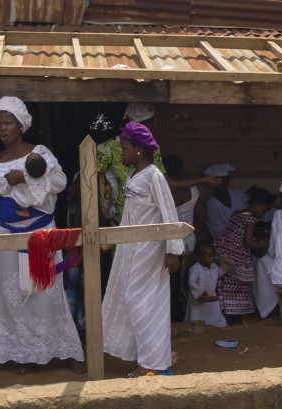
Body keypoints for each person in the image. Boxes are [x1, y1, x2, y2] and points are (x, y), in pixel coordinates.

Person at [0, 96, 85, 375]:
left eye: (8, 123)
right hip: (6, 238)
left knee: (48, 293)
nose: (2, 129)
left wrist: (25, 177)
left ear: (21, 125)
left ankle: (64, 350)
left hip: (41, 236)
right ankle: (24, 354)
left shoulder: (40, 152)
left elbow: (59, 182)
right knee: (13, 298)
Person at [102, 122, 184, 377]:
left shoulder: (154, 176)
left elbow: (169, 212)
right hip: (131, 248)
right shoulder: (133, 175)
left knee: (140, 301)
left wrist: (173, 249)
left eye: (125, 148)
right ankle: (146, 357)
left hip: (150, 249)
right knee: (132, 300)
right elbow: (130, 215)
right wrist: (116, 239)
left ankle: (151, 362)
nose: (122, 153)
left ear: (138, 149)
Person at [214, 186, 277, 324]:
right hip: (235, 255)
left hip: (223, 252)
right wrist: (268, 245)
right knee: (241, 287)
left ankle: (227, 316)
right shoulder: (249, 219)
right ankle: (243, 317)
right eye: (264, 210)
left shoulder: (237, 214)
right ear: (258, 206)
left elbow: (238, 234)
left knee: (227, 285)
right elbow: (249, 242)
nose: (263, 214)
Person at [164, 153, 208, 322]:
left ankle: (173, 316)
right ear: (181, 171)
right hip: (188, 242)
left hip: (168, 244)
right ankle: (184, 314)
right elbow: (203, 216)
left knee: (169, 283)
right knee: (183, 281)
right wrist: (188, 230)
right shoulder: (193, 190)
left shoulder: (164, 193)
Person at [204, 163, 248, 242]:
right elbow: (217, 230)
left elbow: (250, 214)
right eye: (217, 179)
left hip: (245, 241)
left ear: (228, 180)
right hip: (225, 245)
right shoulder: (211, 204)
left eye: (224, 179)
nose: (221, 182)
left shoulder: (237, 194)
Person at [185, 244, 227, 328]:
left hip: (211, 294)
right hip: (198, 296)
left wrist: (223, 261)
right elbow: (191, 282)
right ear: (199, 258)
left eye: (213, 255)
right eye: (209, 256)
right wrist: (201, 294)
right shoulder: (195, 268)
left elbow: (221, 272)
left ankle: (217, 325)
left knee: (214, 311)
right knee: (197, 313)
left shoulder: (214, 267)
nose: (212, 258)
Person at [0, 152, 47, 219]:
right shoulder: (40, 164)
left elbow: (12, 171)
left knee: (21, 199)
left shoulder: (21, 167)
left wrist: (10, 172)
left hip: (22, 187)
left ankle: (26, 211)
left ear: (27, 162)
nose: (31, 152)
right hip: (35, 190)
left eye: (31, 155)